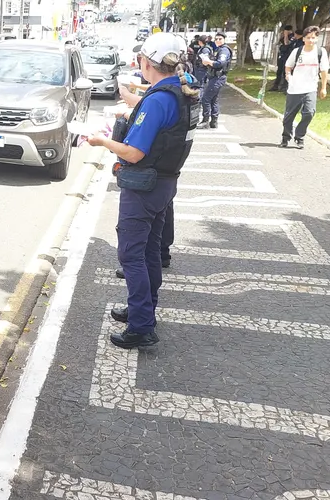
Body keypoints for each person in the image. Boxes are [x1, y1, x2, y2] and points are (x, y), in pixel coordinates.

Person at [88, 32, 201, 349]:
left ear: (145, 62)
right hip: (165, 184)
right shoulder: (179, 90)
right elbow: (159, 115)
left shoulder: (159, 99)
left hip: (145, 186)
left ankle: (141, 327)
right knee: (150, 250)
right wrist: (135, 103)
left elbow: (133, 153)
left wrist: (100, 141)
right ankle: (144, 310)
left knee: (131, 255)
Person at [279, 26, 330, 149]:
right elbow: (288, 65)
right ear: (303, 39)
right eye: (308, 38)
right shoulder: (297, 51)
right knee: (288, 116)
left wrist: (323, 87)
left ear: (317, 38)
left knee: (309, 113)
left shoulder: (321, 52)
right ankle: (286, 137)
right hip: (295, 89)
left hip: (310, 89)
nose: (310, 40)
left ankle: (299, 136)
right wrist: (288, 76)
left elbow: (324, 70)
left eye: (313, 38)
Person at [199, 32, 232, 129]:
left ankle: (206, 120)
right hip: (214, 76)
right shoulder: (219, 49)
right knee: (213, 99)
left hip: (218, 77)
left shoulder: (224, 50)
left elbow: (220, 63)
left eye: (220, 39)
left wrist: (209, 62)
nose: (218, 40)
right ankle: (213, 121)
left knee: (205, 98)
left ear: (224, 39)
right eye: (216, 39)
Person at [270, 25, 294, 91]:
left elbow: (286, 43)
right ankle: (276, 86)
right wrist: (281, 36)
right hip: (282, 55)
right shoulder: (283, 36)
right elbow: (277, 43)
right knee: (279, 71)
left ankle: (284, 87)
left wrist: (286, 35)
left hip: (287, 55)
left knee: (285, 71)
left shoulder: (292, 36)